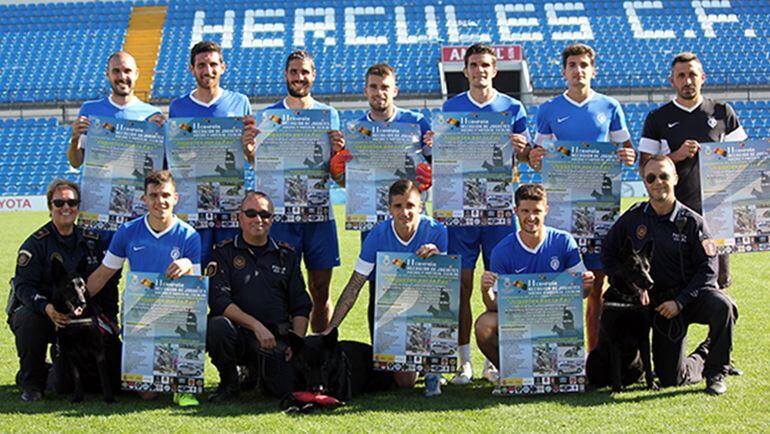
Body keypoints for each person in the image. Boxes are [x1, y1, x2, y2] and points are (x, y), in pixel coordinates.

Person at [432, 43, 531, 384]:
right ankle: (463, 361)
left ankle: (496, 359)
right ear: (466, 71)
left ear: (495, 69)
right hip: (460, 213)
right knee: (460, 286)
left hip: (500, 213)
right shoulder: (452, 107)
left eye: (485, 65)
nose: (480, 70)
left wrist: (523, 148)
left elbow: (528, 153)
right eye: (474, 65)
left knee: (499, 285)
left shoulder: (512, 107)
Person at [528, 43, 637, 354]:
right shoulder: (549, 109)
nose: (578, 71)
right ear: (564, 72)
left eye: (583, 65)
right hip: (562, 214)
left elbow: (627, 151)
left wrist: (628, 155)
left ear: (593, 70)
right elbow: (538, 157)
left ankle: (593, 357)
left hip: (599, 215)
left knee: (596, 290)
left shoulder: (610, 106)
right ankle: (555, 355)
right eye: (572, 65)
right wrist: (535, 157)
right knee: (560, 288)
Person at [602, 155, 736, 395]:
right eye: (651, 177)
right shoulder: (633, 219)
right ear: (644, 182)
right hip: (651, 305)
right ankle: (704, 355)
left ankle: (716, 371)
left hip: (687, 298)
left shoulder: (693, 222)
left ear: (675, 178)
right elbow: (608, 252)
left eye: (664, 176)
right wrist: (622, 283)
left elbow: (708, 270)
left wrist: (680, 302)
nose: (658, 182)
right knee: (671, 379)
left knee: (723, 305)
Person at [242, 50, 344, 333]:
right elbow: (259, 164)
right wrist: (250, 151)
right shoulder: (270, 116)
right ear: (286, 75)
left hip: (319, 217)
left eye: (304, 72)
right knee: (278, 288)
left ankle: (320, 351)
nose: (299, 77)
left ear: (313, 75)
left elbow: (336, 172)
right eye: (293, 72)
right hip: (282, 220)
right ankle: (282, 356)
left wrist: (338, 153)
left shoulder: (328, 115)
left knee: (320, 289)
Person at [86, 171, 202, 406]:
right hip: (139, 311)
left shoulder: (189, 235)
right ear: (144, 199)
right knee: (147, 393)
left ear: (176, 198)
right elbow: (104, 273)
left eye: (166, 195)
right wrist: (76, 303)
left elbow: (196, 285)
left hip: (174, 311)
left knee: (190, 322)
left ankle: (184, 384)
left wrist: (187, 264)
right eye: (154, 195)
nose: (160, 201)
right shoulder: (127, 232)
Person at [326, 179, 448, 396]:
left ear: (420, 206)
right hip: (393, 305)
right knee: (405, 382)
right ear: (389, 208)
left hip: (425, 302)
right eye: (398, 206)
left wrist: (437, 259)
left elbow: (447, 285)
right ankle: (417, 360)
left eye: (410, 205)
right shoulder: (377, 235)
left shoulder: (436, 231)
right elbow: (355, 284)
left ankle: (434, 367)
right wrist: (331, 327)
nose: (405, 212)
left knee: (445, 303)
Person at [638, 52, 747, 291]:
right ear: (672, 81)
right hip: (673, 216)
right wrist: (675, 156)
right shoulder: (657, 118)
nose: (687, 81)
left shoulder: (722, 112)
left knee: (716, 289)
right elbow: (643, 167)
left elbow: (743, 158)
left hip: (716, 215)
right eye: (681, 76)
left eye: (692, 75)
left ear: (703, 77)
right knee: (672, 284)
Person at [8, 179, 119, 401]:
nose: (66, 208)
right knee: (29, 319)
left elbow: (109, 283)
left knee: (106, 378)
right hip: (45, 314)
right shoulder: (36, 244)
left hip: (83, 317)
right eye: (59, 203)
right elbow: (23, 286)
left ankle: (56, 369)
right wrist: (46, 308)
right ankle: (32, 382)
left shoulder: (92, 242)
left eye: (72, 202)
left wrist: (111, 318)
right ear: (50, 207)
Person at [475, 184, 594, 372]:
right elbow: (494, 306)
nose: (531, 217)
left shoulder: (563, 241)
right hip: (519, 318)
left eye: (536, 211)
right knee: (484, 325)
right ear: (516, 211)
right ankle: (510, 372)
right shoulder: (502, 251)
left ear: (546, 210)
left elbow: (581, 294)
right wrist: (486, 291)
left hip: (554, 317)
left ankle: (568, 363)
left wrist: (587, 284)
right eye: (525, 211)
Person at [206, 191, 311, 401]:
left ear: (272, 219)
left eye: (264, 215)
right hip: (238, 335)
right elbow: (219, 301)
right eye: (251, 213)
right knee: (217, 326)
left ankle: (254, 374)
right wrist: (255, 326)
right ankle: (229, 382)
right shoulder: (224, 253)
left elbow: (301, 305)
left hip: (274, 338)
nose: (258, 220)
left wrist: (296, 344)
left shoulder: (286, 256)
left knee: (280, 390)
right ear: (240, 217)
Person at [169, 40, 253, 267]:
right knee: (193, 268)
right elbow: (174, 156)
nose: (208, 70)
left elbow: (253, 158)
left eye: (213, 64)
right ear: (192, 69)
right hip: (192, 206)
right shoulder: (178, 107)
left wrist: (249, 147)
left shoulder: (240, 102)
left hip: (230, 205)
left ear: (223, 67)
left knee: (231, 272)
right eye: (201, 65)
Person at [67, 51, 164, 170]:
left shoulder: (152, 114)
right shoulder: (89, 110)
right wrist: (75, 138)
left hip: (137, 185)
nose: (122, 77)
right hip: (99, 186)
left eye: (127, 71)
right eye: (116, 71)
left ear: (136, 73)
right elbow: (75, 163)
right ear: (108, 74)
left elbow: (158, 162)